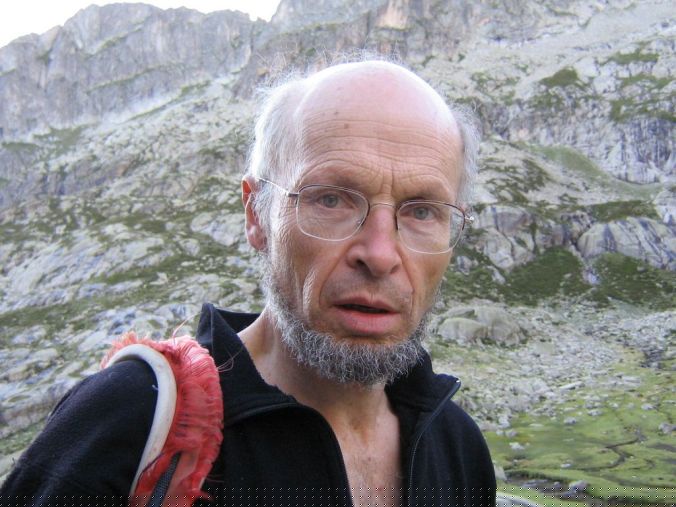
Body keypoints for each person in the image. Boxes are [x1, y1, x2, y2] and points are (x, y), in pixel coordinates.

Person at [1, 60, 496, 507]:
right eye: (330, 199)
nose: (381, 255)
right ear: (256, 214)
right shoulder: (128, 421)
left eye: (423, 211)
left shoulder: (458, 447)